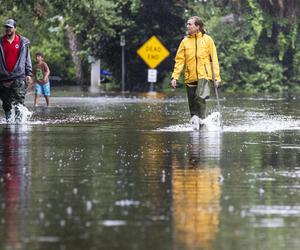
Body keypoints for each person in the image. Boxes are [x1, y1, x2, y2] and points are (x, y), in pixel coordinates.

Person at [171, 16, 221, 127]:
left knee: (199, 97)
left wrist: (217, 77)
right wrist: (175, 77)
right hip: (190, 76)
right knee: (192, 103)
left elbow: (214, 59)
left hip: (204, 75)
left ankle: (202, 122)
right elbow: (179, 61)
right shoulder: (184, 42)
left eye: (190, 24)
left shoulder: (207, 40)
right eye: (187, 24)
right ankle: (195, 124)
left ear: (197, 26)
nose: (187, 26)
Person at [0, 18, 32, 123]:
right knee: (6, 103)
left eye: (10, 27)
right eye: (6, 27)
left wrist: (29, 74)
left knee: (19, 101)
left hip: (18, 76)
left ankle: (19, 122)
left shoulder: (23, 42)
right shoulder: (0, 42)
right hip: (3, 77)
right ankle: (9, 121)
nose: (8, 29)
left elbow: (27, 58)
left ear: (15, 28)